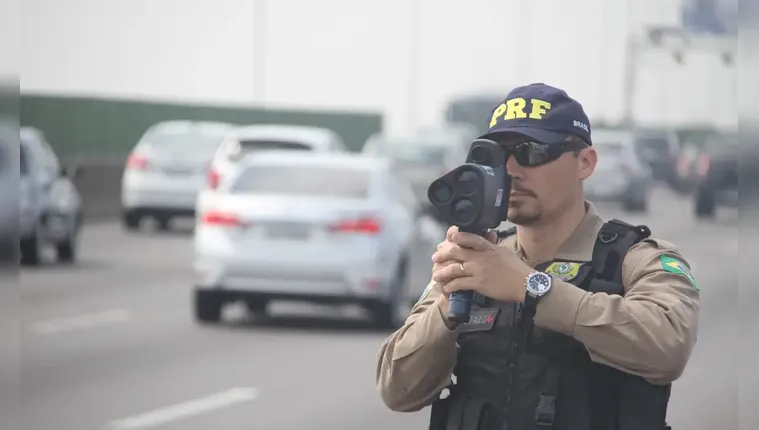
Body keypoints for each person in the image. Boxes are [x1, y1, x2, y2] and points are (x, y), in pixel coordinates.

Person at [375, 83, 700, 430]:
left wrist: (533, 288)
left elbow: (668, 347)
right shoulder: (476, 258)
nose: (512, 170)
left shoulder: (637, 259)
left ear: (585, 162)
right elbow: (398, 391)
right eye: (499, 155)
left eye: (532, 152)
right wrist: (446, 304)